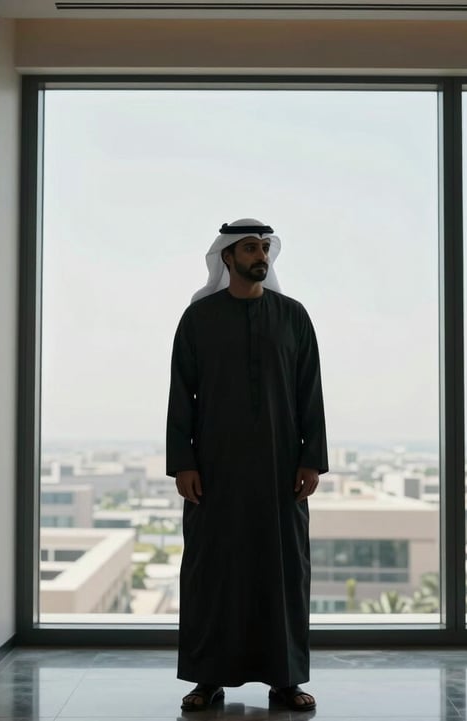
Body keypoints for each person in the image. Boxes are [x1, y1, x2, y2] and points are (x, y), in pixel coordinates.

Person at [166, 218, 328, 713]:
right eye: (250, 248)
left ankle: (285, 680)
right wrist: (184, 464)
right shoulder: (198, 319)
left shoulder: (293, 316)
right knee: (211, 572)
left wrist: (311, 459)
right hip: (215, 471)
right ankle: (205, 679)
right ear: (227, 257)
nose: (261, 255)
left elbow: (310, 393)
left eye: (265, 248)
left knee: (283, 572)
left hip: (280, 472)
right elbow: (181, 396)